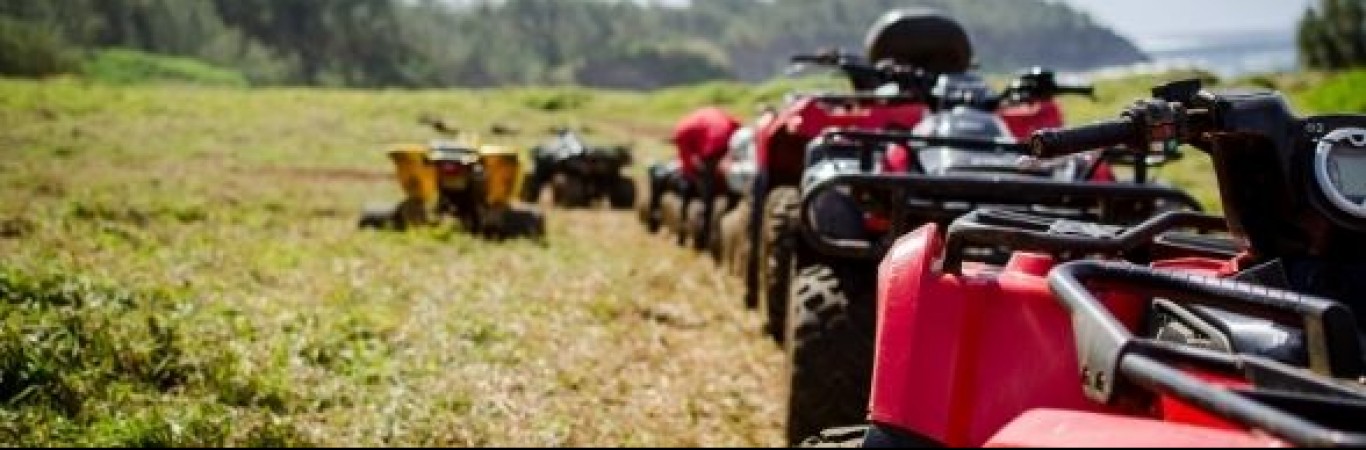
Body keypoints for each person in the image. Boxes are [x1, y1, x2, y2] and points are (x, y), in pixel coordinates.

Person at [665, 106, 741, 250]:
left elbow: (686, 161)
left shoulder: (682, 130)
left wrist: (693, 178)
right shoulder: (716, 113)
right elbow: (738, 125)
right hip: (730, 148)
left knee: (708, 198)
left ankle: (704, 238)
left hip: (713, 152)